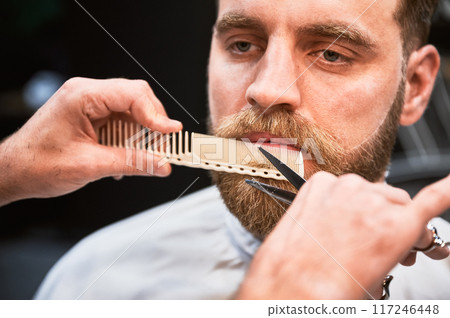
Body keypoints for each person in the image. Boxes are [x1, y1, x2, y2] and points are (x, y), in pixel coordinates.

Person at [1, 0, 449, 299]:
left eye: (332, 54)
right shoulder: (90, 281)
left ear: (414, 87)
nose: (267, 89)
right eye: (242, 44)